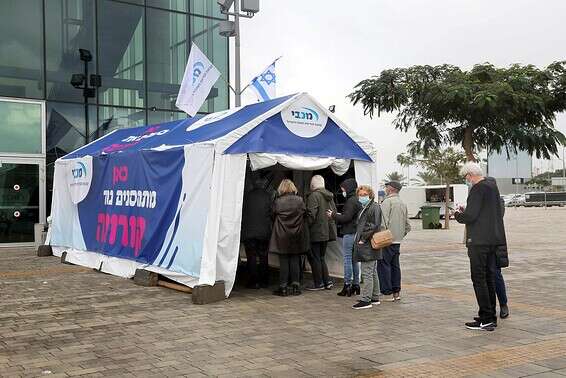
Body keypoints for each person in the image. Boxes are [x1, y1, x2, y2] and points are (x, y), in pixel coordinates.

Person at [455, 162, 507, 331]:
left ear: (471, 174)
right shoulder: (492, 187)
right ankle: (489, 315)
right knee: (489, 278)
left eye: (466, 177)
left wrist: (458, 215)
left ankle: (486, 318)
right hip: (493, 240)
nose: (467, 180)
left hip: (478, 241)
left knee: (479, 279)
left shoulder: (478, 189)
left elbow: (470, 215)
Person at [269, 179, 309, 296]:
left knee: (284, 261)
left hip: (282, 235)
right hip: (296, 234)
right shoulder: (300, 200)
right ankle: (296, 286)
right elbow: (305, 215)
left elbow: (272, 215)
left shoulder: (278, 201)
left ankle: (283, 287)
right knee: (295, 260)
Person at [327, 178, 362, 296]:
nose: (343, 192)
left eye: (343, 189)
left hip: (349, 232)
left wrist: (333, 215)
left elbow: (346, 218)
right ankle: (356, 285)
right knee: (354, 260)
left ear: (348, 188)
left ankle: (347, 285)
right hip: (356, 232)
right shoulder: (356, 200)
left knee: (347, 259)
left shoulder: (350, 201)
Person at [377, 181, 411, 301]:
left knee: (384, 265)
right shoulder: (402, 203)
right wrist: (400, 235)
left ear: (390, 189)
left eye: (386, 187)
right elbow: (408, 225)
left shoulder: (387, 202)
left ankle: (387, 292)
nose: (385, 189)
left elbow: (383, 222)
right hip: (397, 240)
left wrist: (382, 236)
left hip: (387, 240)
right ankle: (396, 292)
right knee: (395, 266)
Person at [352, 185, 383, 309]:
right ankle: (374, 297)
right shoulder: (366, 207)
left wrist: (363, 238)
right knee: (372, 271)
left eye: (364, 194)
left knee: (367, 272)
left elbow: (374, 225)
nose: (362, 197)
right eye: (360, 194)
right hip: (368, 244)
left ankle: (366, 300)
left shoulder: (373, 207)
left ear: (370, 195)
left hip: (368, 244)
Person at [306, 175, 337, 291]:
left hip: (316, 232)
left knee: (315, 258)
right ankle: (327, 281)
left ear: (313, 185)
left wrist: (305, 227)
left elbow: (311, 215)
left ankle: (318, 283)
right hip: (326, 231)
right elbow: (334, 212)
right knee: (321, 257)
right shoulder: (329, 196)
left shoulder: (314, 196)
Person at [485, 177, 510, 319]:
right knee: (484, 276)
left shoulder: (498, 202)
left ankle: (503, 304)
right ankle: (489, 308)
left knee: (495, 275)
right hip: (482, 245)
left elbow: (496, 216)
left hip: (495, 244)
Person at [241, 177, 272, 289]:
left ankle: (253, 282)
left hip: (249, 232)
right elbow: (271, 212)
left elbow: (242, 212)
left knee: (251, 257)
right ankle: (264, 281)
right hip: (264, 233)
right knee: (263, 257)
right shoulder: (268, 196)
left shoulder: (247, 196)